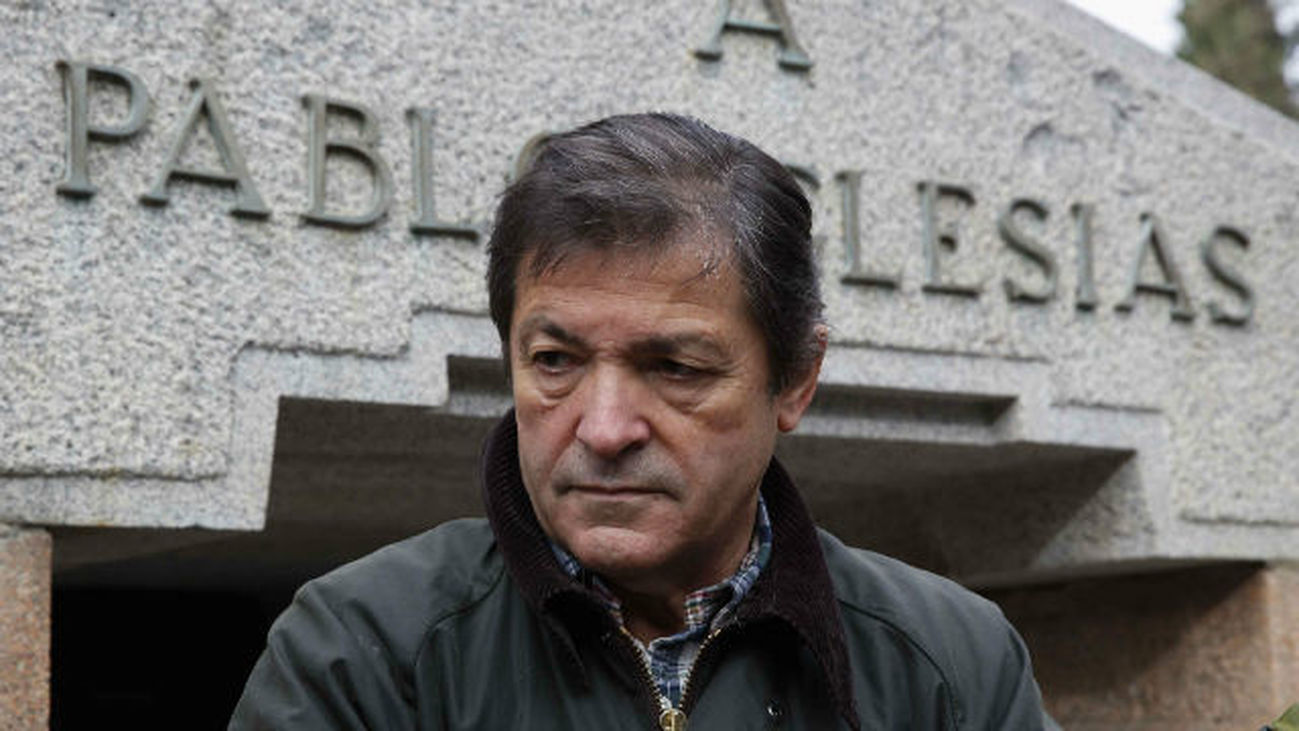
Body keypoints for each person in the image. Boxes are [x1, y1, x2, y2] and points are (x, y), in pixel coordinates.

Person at [229, 113, 1048, 729]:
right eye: (555, 360)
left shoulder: (951, 662)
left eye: (675, 369)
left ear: (795, 379)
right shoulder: (360, 647)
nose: (605, 428)